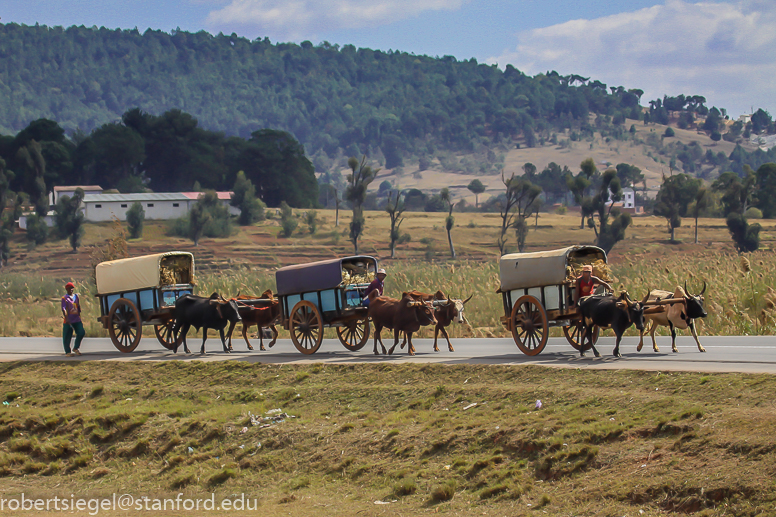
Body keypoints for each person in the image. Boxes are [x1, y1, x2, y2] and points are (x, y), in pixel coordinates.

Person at [61, 281, 85, 356]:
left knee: (81, 332)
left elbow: (78, 306)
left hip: (77, 319)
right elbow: (63, 308)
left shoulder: (76, 297)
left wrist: (79, 315)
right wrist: (66, 317)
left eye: (72, 288)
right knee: (67, 336)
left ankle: (76, 347)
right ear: (66, 289)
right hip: (69, 320)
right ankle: (67, 352)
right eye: (69, 288)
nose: (71, 289)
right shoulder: (64, 298)